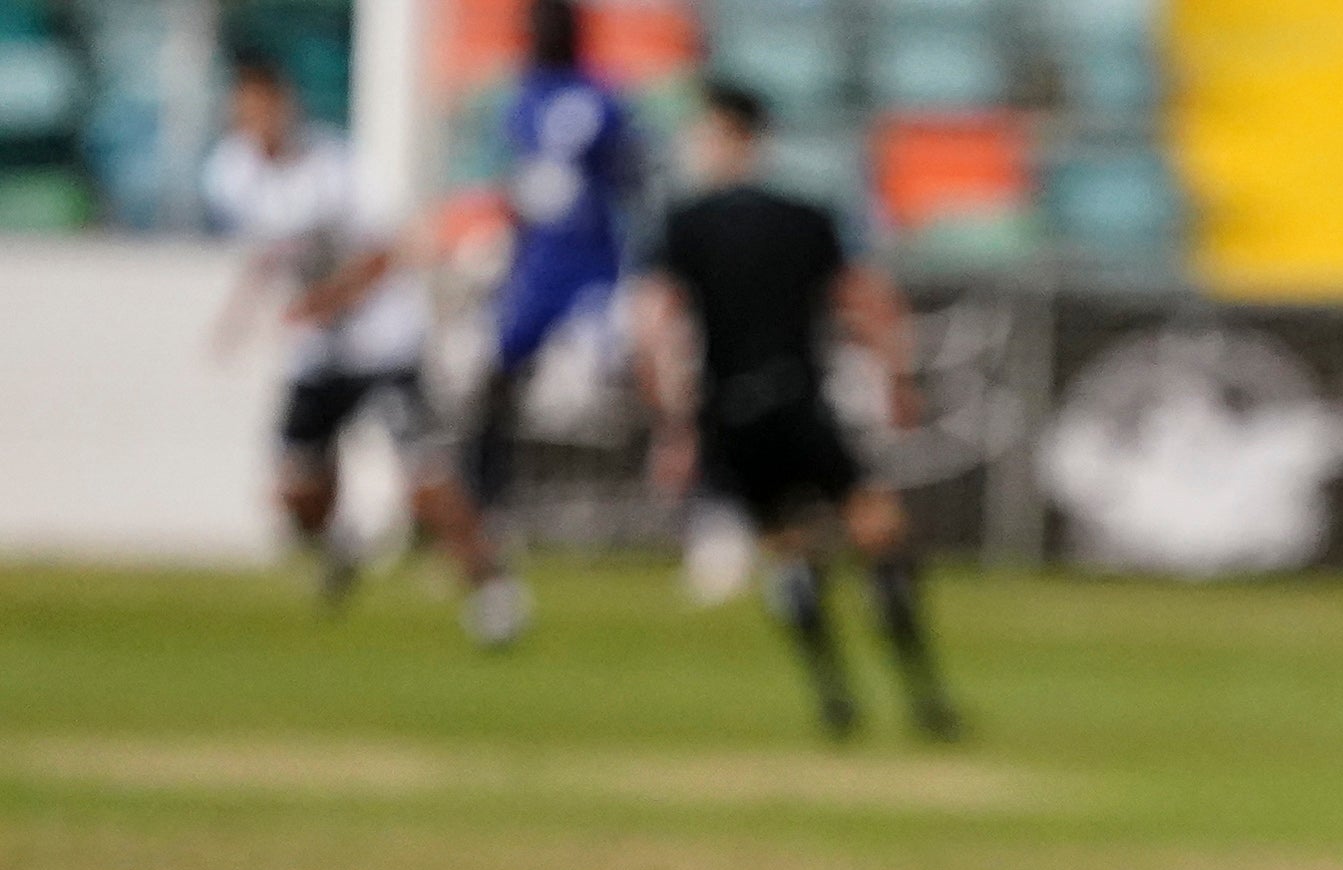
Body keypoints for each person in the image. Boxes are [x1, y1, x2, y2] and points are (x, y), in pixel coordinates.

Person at [633, 81, 962, 743]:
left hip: (730, 413)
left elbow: (653, 327)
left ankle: (834, 694)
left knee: (788, 550)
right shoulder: (806, 216)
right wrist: (897, 379)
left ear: (729, 133)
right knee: (878, 533)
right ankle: (924, 695)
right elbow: (865, 300)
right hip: (799, 399)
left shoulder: (685, 224)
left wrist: (672, 426)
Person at [205, 49, 526, 646]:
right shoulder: (231, 174)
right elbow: (270, 254)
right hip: (319, 351)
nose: (256, 119)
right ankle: (342, 542)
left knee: (426, 478)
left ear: (285, 104)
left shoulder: (337, 165)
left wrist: (330, 298)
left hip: (383, 341)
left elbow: (390, 248)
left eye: (264, 105)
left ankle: (492, 590)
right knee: (297, 491)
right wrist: (239, 315)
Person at [466, 0, 644, 524]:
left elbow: (631, 174)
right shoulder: (519, 99)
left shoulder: (601, 98)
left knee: (626, 379)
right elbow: (505, 181)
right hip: (538, 266)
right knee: (499, 375)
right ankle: (485, 496)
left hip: (594, 265)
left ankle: (671, 497)